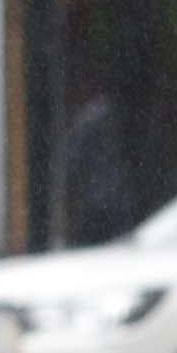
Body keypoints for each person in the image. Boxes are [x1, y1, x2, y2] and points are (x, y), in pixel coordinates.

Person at [62, 89, 130, 246]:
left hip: (97, 196)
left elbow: (72, 157)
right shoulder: (101, 116)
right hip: (107, 195)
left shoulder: (90, 117)